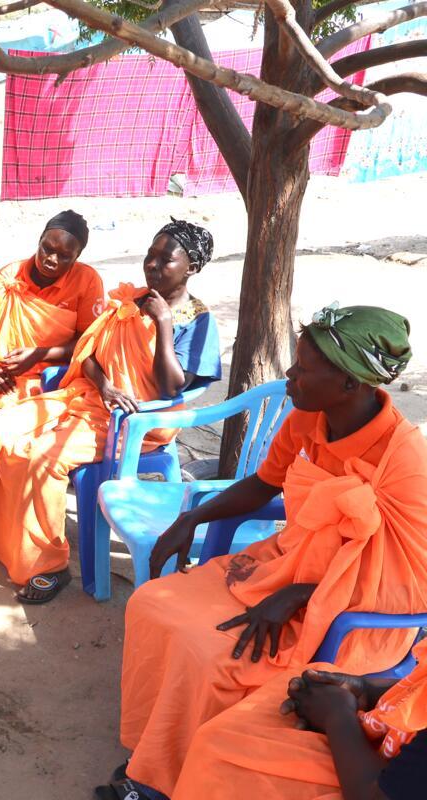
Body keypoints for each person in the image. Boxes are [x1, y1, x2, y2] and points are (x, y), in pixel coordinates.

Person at [116, 304, 426, 799]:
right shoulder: (307, 418)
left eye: (304, 368)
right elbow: (263, 483)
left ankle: (159, 781)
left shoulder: (405, 461)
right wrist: (192, 517)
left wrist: (305, 594)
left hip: (349, 612)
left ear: (350, 384)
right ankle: (153, 748)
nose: (290, 375)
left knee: (210, 656)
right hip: (280, 568)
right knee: (152, 604)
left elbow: (409, 582)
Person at [0, 219, 222, 604]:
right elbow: (90, 354)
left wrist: (162, 323)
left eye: (166, 260)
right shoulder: (132, 299)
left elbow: (171, 387)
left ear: (191, 267)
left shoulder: (196, 320)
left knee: (44, 459)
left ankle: (49, 565)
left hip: (136, 421)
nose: (153, 265)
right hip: (90, 397)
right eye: (150, 255)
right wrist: (105, 385)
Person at [160, 642, 427, 800]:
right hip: (394, 766)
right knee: (223, 736)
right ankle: (160, 776)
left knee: (220, 752)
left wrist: (337, 716)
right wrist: (368, 690)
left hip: (375, 788)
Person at [0, 210, 104, 440]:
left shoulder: (87, 281)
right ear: (39, 239)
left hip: (48, 377)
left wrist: (39, 354)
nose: (51, 259)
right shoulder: (11, 275)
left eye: (64, 256)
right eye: (47, 248)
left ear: (77, 257)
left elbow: (88, 343)